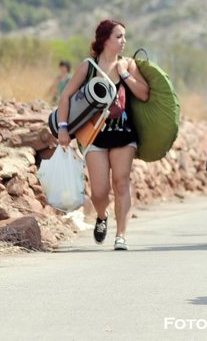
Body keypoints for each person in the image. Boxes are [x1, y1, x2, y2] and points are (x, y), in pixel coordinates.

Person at [56, 19, 149, 251]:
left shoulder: (129, 64)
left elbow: (144, 94)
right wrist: (63, 128)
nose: (124, 41)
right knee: (99, 191)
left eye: (124, 37)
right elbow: (66, 96)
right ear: (104, 39)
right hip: (94, 135)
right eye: (119, 37)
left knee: (121, 182)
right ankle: (101, 215)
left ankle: (121, 236)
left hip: (123, 135)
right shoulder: (88, 66)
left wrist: (125, 75)